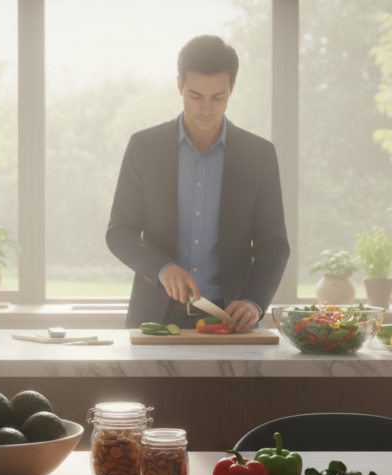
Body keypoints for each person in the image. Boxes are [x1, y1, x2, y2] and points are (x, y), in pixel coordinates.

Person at [106, 35, 290, 332]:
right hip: (155, 318)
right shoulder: (144, 146)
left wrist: (254, 302)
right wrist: (163, 268)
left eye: (218, 97)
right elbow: (119, 232)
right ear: (179, 86)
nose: (206, 108)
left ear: (232, 88)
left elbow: (274, 244)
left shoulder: (259, 154)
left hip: (231, 321)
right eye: (195, 96)